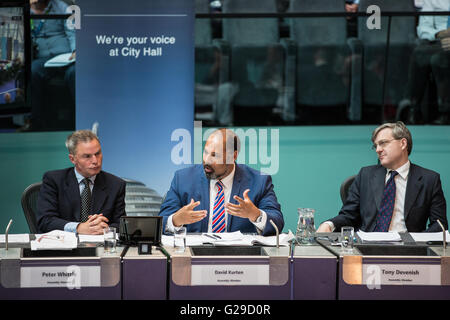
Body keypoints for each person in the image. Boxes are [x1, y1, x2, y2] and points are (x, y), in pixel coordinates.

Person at [317, 121, 447, 233]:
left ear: (402, 143)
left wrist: (417, 242)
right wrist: (329, 224)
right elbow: (349, 215)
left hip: (408, 249)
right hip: (368, 247)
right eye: (376, 145)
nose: (378, 149)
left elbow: (439, 225)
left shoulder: (429, 179)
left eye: (383, 143)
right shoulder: (365, 175)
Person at [159, 128, 284, 235]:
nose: (206, 160)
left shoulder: (259, 181)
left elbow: (277, 222)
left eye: (215, 155)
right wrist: (176, 220)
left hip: (240, 258)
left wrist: (256, 215)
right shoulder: (183, 179)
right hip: (194, 257)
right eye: (205, 152)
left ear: (233, 156)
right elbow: (160, 222)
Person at [36, 130, 126, 234]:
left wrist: (104, 228)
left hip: (99, 247)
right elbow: (45, 221)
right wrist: (78, 228)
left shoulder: (116, 184)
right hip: (63, 247)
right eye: (87, 156)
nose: (95, 161)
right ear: (73, 159)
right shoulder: (54, 180)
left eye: (98, 154)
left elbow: (121, 224)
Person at [398, 0, 450, 124]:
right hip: (439, 41)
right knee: (419, 54)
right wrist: (439, 34)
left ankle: (446, 112)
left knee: (438, 59)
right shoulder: (430, 1)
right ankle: (413, 108)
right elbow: (423, 29)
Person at [30, 0, 76, 131]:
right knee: (32, 71)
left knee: (75, 73)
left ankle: (80, 120)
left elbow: (72, 32)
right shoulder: (25, 10)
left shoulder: (63, 7)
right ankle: (35, 123)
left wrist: (75, 51)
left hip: (66, 56)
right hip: (42, 60)